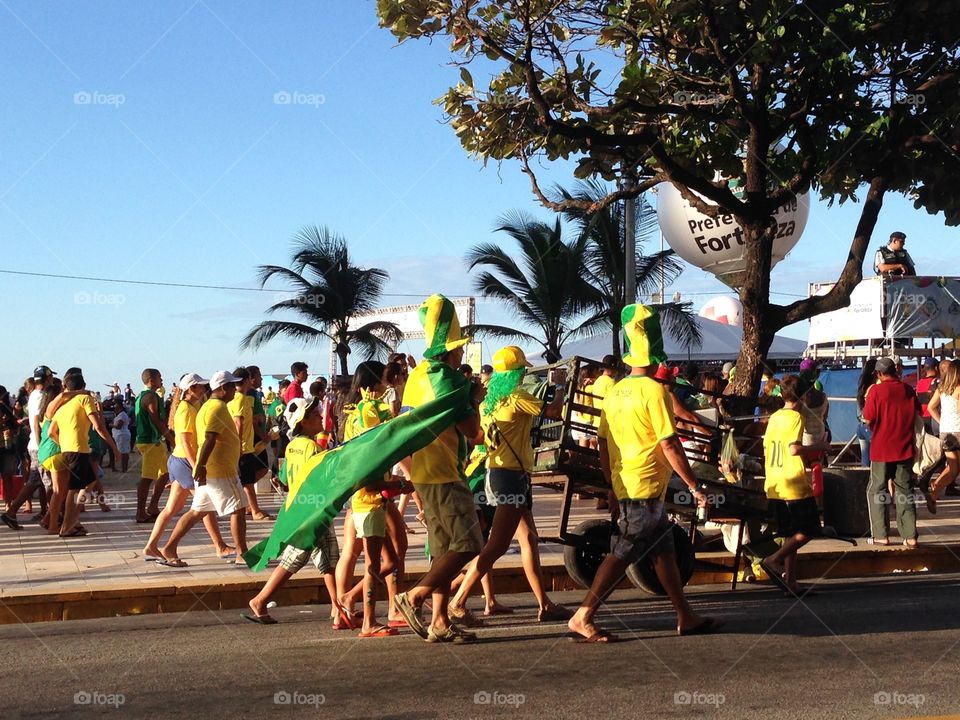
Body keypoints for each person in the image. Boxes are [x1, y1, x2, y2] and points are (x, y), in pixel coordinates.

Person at [568, 304, 721, 642]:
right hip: (645, 486)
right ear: (656, 353)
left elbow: (604, 444)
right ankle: (583, 615)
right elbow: (670, 444)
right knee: (622, 553)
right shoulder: (655, 391)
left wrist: (611, 485)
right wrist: (694, 485)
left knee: (663, 551)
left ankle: (685, 614)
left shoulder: (614, 392)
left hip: (628, 484)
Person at [448, 345, 568, 624]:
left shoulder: (488, 403)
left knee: (528, 539)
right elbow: (554, 411)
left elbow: (478, 437)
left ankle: (544, 604)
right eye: (522, 370)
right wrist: (560, 384)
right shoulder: (516, 397)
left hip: (500, 473)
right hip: (511, 477)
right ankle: (458, 601)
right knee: (497, 545)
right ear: (516, 373)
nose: (525, 373)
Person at [392, 294, 485, 644]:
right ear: (450, 350)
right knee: (470, 543)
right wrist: (474, 399)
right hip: (446, 473)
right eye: (459, 347)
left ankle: (440, 621)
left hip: (422, 473)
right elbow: (472, 431)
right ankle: (414, 596)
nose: (462, 353)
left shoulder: (417, 376)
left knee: (444, 551)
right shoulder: (449, 379)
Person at [245, 396, 344, 626]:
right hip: (313, 509)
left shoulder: (292, 447)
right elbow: (323, 478)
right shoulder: (313, 448)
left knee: (329, 558)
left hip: (300, 506)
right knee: (295, 558)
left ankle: (338, 608)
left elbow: (286, 479)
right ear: (303, 422)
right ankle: (260, 600)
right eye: (315, 415)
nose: (320, 417)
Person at [158, 371, 248, 566]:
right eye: (231, 386)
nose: (235, 390)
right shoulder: (217, 408)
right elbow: (209, 438)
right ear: (222, 388)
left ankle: (169, 548)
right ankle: (242, 553)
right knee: (238, 509)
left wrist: (200, 466)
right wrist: (200, 466)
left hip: (211, 471)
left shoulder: (206, 406)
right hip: (219, 470)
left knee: (197, 511)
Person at [142, 374, 233, 561]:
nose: (204, 390)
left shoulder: (192, 406)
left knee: (172, 508)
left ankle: (151, 546)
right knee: (203, 506)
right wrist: (196, 466)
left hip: (179, 460)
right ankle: (219, 546)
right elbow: (185, 441)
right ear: (191, 389)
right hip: (185, 461)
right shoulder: (185, 409)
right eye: (200, 387)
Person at [758, 375, 827, 596]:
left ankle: (791, 581)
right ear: (804, 396)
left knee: (791, 534)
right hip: (793, 483)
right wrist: (819, 446)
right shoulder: (796, 417)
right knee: (809, 529)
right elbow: (794, 449)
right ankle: (773, 559)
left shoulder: (774, 417)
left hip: (775, 481)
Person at [48, 371, 119, 537]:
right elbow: (98, 426)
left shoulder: (63, 405)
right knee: (74, 489)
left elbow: (51, 432)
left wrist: (63, 443)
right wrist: (114, 448)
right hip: (78, 449)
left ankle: (72, 521)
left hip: (69, 449)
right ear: (84, 386)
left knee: (90, 482)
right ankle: (67, 526)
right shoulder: (85, 399)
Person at [862, 356, 919, 547]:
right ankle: (910, 536)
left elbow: (868, 418)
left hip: (881, 449)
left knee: (876, 490)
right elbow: (917, 413)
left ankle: (881, 535)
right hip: (905, 448)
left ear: (879, 373)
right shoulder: (908, 390)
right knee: (905, 491)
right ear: (895, 371)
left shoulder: (876, 391)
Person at [1, 366, 55, 527]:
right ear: (47, 378)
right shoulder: (41, 396)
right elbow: (37, 422)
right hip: (39, 445)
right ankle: (53, 518)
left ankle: (11, 513)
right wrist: (41, 445)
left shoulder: (33, 395)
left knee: (34, 481)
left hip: (35, 445)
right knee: (49, 483)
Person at [229, 367, 272, 521]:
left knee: (248, 479)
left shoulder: (238, 398)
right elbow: (238, 422)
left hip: (244, 444)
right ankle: (255, 510)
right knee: (247, 480)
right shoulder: (240, 398)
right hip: (243, 445)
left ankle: (250, 507)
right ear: (247, 380)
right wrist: (239, 444)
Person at [134, 369, 173, 523]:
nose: (161, 380)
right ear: (151, 380)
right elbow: (155, 419)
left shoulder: (141, 396)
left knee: (164, 473)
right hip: (151, 441)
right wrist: (170, 438)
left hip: (151, 440)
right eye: (159, 378)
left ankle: (153, 506)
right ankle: (141, 512)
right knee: (147, 477)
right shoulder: (150, 396)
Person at [924, 359, 960, 514]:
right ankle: (935, 486)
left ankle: (934, 491)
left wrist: (942, 421)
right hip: (958, 431)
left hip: (945, 432)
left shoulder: (942, 388)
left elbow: (931, 407)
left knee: (953, 468)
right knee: (955, 468)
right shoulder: (959, 389)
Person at [855, 358, 878, 466]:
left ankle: (863, 476)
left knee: (865, 460)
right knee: (878, 455)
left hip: (861, 425)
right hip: (869, 426)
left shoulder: (863, 386)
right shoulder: (874, 387)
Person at [916, 357, 940, 434]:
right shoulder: (937, 382)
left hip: (922, 418)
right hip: (934, 417)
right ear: (936, 368)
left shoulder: (919, 383)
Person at [111, 403, 132, 472]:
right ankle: (124, 468)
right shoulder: (121, 415)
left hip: (121, 435)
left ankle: (124, 468)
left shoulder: (122, 415)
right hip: (121, 435)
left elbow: (119, 426)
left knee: (123, 452)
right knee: (124, 451)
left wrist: (111, 425)